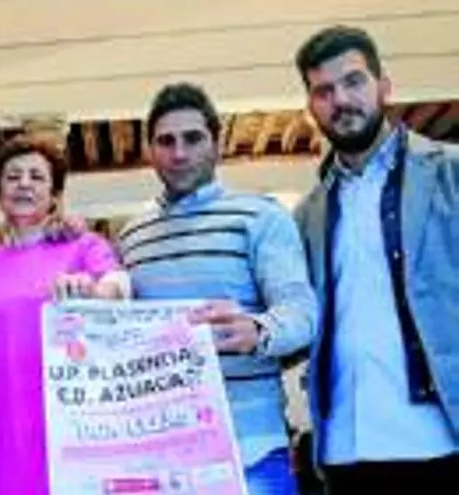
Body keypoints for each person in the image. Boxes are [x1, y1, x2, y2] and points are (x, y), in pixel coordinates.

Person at [116, 83, 318, 495]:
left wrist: (257, 330)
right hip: (158, 457)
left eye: (193, 138)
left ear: (217, 143)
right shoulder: (131, 236)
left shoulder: (261, 217)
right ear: (149, 150)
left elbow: (302, 312)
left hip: (250, 450)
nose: (179, 153)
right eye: (165, 141)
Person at [292, 25, 459, 492]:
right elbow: (300, 321)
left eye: (353, 81)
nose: (341, 100)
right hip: (345, 449)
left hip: (442, 440)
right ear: (311, 107)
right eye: (323, 91)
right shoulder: (307, 215)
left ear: (384, 86)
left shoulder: (450, 172)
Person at [0, 135, 127, 495]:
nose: (24, 184)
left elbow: (119, 287)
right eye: (13, 176)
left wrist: (95, 291)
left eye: (37, 177)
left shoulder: (84, 247)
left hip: (67, 438)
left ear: (54, 195)